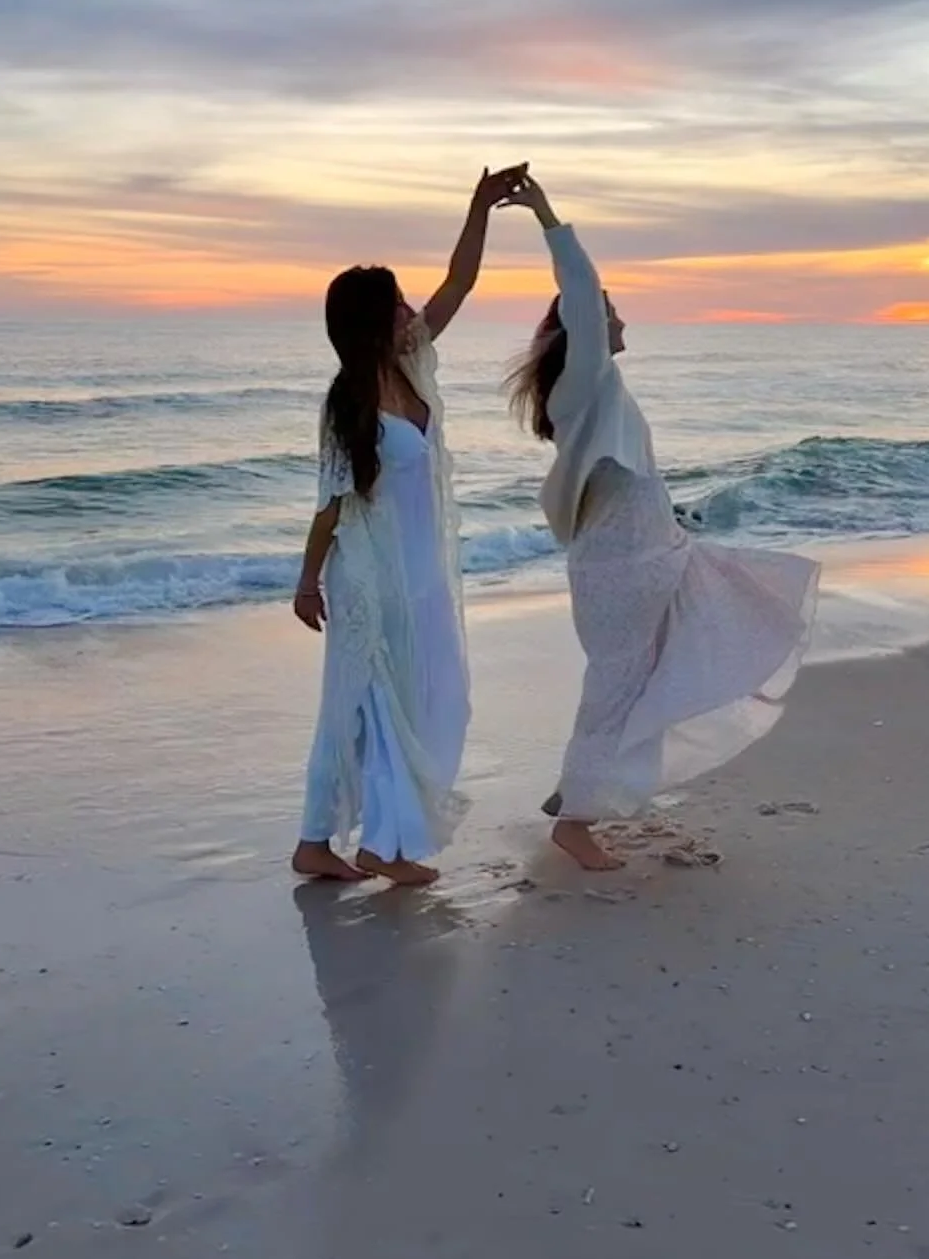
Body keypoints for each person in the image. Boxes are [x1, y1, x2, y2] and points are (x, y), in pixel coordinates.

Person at [504, 176, 820, 870]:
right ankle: (577, 820)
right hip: (625, 570)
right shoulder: (583, 384)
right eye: (610, 314)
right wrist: (548, 215)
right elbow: (582, 294)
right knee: (617, 687)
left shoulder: (597, 391)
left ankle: (575, 791)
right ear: (580, 329)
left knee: (712, 625)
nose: (620, 322)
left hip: (651, 557)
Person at [291, 165, 528, 884]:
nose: (408, 311)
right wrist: (306, 583)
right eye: (395, 305)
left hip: (421, 568)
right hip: (368, 573)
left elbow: (460, 281)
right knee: (361, 703)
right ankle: (336, 844)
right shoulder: (349, 403)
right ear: (369, 321)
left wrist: (481, 206)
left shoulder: (414, 361)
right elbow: (331, 505)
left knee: (426, 693)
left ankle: (383, 841)